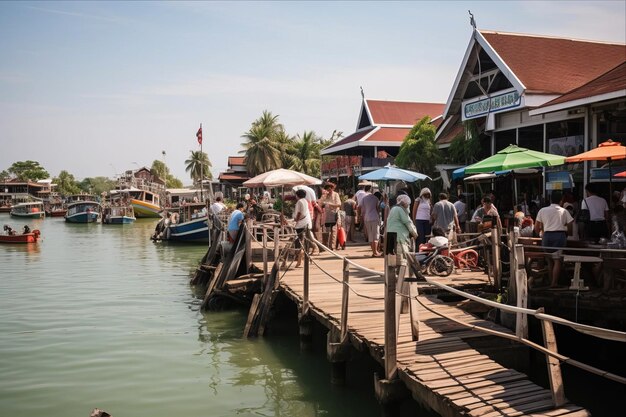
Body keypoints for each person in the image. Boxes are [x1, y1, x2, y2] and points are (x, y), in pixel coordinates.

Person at [534, 191, 574, 287]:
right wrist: (568, 233)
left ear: (550, 199)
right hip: (559, 236)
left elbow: (536, 228)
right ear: (561, 201)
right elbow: (570, 225)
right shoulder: (564, 211)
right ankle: (554, 283)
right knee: (557, 260)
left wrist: (542, 232)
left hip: (547, 236)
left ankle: (551, 281)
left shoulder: (542, 210)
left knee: (549, 260)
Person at [385, 194, 417, 264]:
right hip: (399, 237)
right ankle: (400, 274)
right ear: (404, 203)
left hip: (391, 236)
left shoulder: (393, 209)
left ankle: (392, 274)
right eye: (408, 204)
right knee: (402, 259)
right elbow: (408, 223)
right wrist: (415, 234)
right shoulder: (400, 210)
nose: (408, 207)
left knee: (392, 259)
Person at [293, 189, 312, 268]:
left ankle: (300, 258)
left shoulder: (299, 202)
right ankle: (304, 258)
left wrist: (296, 220)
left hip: (300, 224)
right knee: (304, 242)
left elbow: (299, 213)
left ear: (297, 195)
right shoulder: (305, 201)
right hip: (306, 223)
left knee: (299, 242)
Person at [319, 182, 341, 248]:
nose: (329, 191)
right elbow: (320, 204)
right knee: (327, 230)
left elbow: (339, 204)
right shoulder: (325, 195)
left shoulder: (336, 194)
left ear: (332, 188)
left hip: (334, 214)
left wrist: (329, 204)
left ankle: (333, 246)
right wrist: (323, 196)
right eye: (327, 189)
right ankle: (327, 245)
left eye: (330, 189)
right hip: (327, 215)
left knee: (334, 230)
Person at [361, 191, 382, 257]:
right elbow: (377, 209)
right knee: (375, 235)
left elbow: (363, 210)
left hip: (367, 218)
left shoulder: (364, 199)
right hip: (374, 218)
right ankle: (375, 252)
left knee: (370, 235)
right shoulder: (376, 199)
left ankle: (373, 251)